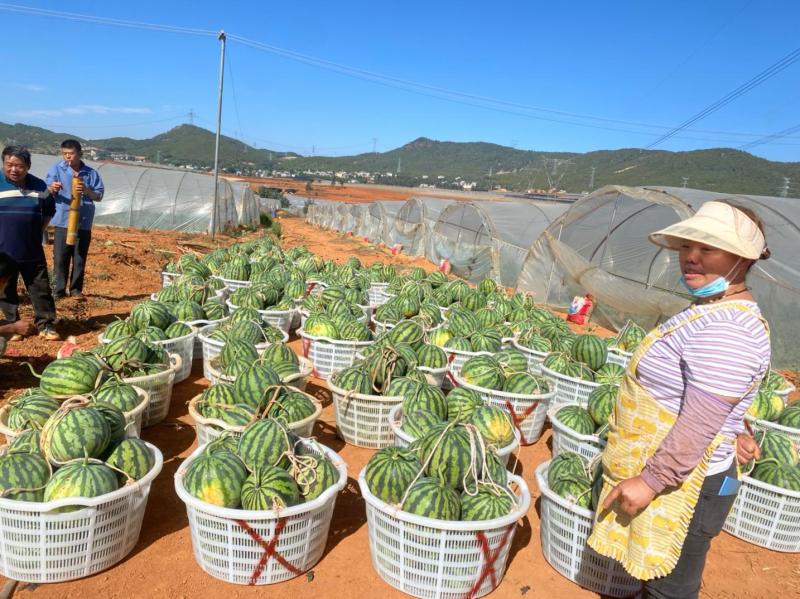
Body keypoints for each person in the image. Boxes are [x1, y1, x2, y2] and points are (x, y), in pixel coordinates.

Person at [587, 200, 771, 599]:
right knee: (654, 578)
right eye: (688, 246)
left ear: (741, 258)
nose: (691, 256)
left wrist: (652, 480)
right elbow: (712, 393)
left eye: (708, 248)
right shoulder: (714, 309)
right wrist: (737, 426)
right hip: (681, 473)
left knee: (670, 589)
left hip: (686, 483)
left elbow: (699, 422)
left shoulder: (730, 328)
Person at [0, 146, 59, 341]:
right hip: (3, 251)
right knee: (5, 290)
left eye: (19, 166)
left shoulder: (40, 186)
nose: (14, 169)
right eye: (9, 165)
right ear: (3, 164)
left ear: (28, 166)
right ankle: (12, 325)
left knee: (40, 288)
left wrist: (36, 232)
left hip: (31, 248)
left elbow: (49, 211)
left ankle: (46, 324)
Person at [46, 139, 104, 300]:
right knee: (60, 258)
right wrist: (53, 188)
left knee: (79, 258)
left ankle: (76, 290)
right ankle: (58, 290)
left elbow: (98, 196)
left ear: (79, 154)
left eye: (71, 154)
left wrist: (86, 190)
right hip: (63, 220)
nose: (67, 157)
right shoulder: (56, 169)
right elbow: (47, 190)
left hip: (83, 221)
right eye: (64, 154)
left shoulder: (91, 173)